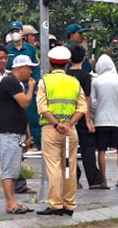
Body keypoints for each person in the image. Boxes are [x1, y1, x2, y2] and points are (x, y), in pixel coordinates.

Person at [36, 46, 87, 216]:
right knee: (68, 167)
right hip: (69, 132)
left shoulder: (45, 82)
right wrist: (69, 124)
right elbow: (82, 107)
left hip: (52, 131)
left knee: (54, 167)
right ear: (66, 64)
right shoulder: (74, 82)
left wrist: (57, 124)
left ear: (50, 64)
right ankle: (69, 204)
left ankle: (56, 204)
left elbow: (42, 107)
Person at [0, 54, 37, 214]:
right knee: (8, 169)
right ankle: (9, 202)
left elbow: (19, 111)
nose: (31, 72)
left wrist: (27, 134)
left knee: (14, 169)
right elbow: (25, 103)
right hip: (8, 132)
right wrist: (31, 88)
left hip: (16, 131)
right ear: (20, 68)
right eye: (29, 68)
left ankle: (12, 201)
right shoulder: (10, 82)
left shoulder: (15, 83)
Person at [91, 54, 118, 190]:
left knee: (101, 150)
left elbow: (91, 102)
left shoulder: (96, 82)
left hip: (100, 121)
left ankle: (103, 179)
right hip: (115, 121)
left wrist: (95, 114)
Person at [67, 45, 103, 190]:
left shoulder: (66, 75)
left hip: (67, 116)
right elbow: (86, 99)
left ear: (69, 59)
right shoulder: (85, 77)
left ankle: (71, 179)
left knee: (68, 150)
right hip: (81, 116)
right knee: (88, 149)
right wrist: (88, 120)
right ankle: (94, 181)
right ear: (83, 58)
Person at [5, 21, 41, 149]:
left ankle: (37, 144)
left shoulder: (30, 49)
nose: (15, 34)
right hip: (14, 87)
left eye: (17, 31)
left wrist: (36, 84)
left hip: (28, 86)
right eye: (12, 31)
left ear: (22, 33)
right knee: (16, 115)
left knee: (33, 116)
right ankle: (19, 143)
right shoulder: (7, 50)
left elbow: (35, 69)